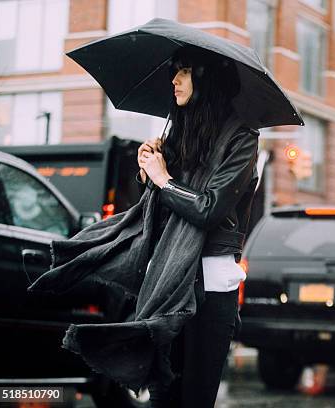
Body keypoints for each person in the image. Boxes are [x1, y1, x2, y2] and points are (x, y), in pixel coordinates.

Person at [135, 47, 258, 407]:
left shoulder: (241, 140)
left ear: (207, 79)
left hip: (210, 286)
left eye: (184, 71)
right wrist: (150, 168)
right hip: (168, 278)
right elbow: (161, 210)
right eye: (174, 71)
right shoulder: (179, 134)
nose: (174, 80)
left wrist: (164, 179)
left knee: (194, 398)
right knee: (162, 393)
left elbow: (208, 209)